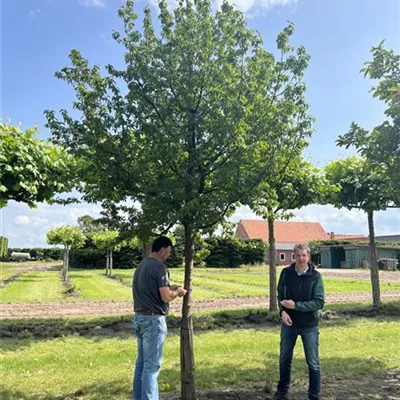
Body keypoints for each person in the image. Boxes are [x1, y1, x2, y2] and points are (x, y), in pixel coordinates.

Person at [132, 236, 187, 400]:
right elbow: (164, 297)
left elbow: (152, 290)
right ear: (163, 250)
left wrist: (170, 287)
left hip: (139, 318)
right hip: (153, 321)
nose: (169, 255)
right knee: (152, 367)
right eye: (169, 252)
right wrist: (177, 292)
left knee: (141, 364)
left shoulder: (141, 266)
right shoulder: (160, 267)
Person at [273, 244, 325, 400]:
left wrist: (296, 306)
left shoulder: (315, 276)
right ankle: (282, 392)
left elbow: (319, 302)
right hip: (288, 324)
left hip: (309, 325)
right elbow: (280, 295)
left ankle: (314, 395)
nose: (301, 258)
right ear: (294, 256)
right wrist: (282, 312)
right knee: (284, 359)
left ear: (308, 256)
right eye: (298, 255)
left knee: (313, 362)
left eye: (304, 255)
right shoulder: (286, 273)